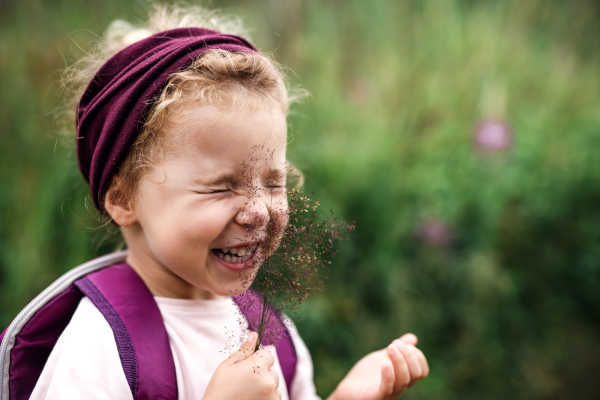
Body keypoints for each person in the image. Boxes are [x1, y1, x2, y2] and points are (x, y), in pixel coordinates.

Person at [30, 5, 428, 400]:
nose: (259, 211)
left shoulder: (268, 330)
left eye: (273, 183)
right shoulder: (99, 346)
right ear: (122, 198)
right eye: (221, 187)